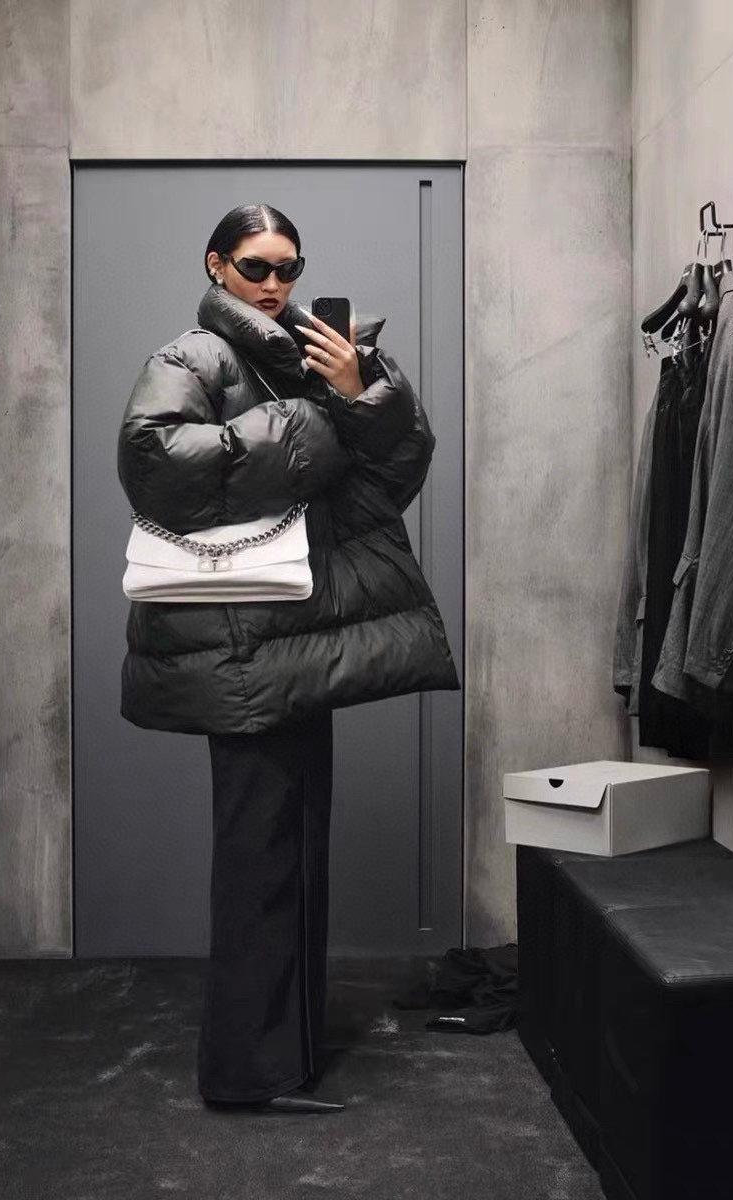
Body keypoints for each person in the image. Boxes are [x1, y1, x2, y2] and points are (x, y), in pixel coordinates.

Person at [116, 203, 460, 1115]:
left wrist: (360, 392)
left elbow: (390, 478)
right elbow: (154, 465)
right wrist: (317, 417)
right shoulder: (192, 359)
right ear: (216, 266)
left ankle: (284, 1063)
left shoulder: (313, 354)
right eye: (256, 266)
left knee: (295, 852)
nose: (274, 284)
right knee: (259, 860)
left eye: (289, 268)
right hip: (241, 646)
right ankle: (245, 1074)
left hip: (301, 639)